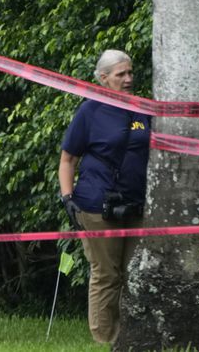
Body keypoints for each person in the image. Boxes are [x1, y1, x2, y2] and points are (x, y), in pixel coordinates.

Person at [57, 49, 150, 344]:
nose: (128, 79)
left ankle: (128, 337)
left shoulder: (142, 108)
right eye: (120, 74)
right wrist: (67, 197)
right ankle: (105, 339)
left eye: (130, 73)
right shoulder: (90, 111)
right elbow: (68, 159)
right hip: (98, 205)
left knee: (131, 273)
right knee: (107, 274)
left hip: (135, 204)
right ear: (103, 78)